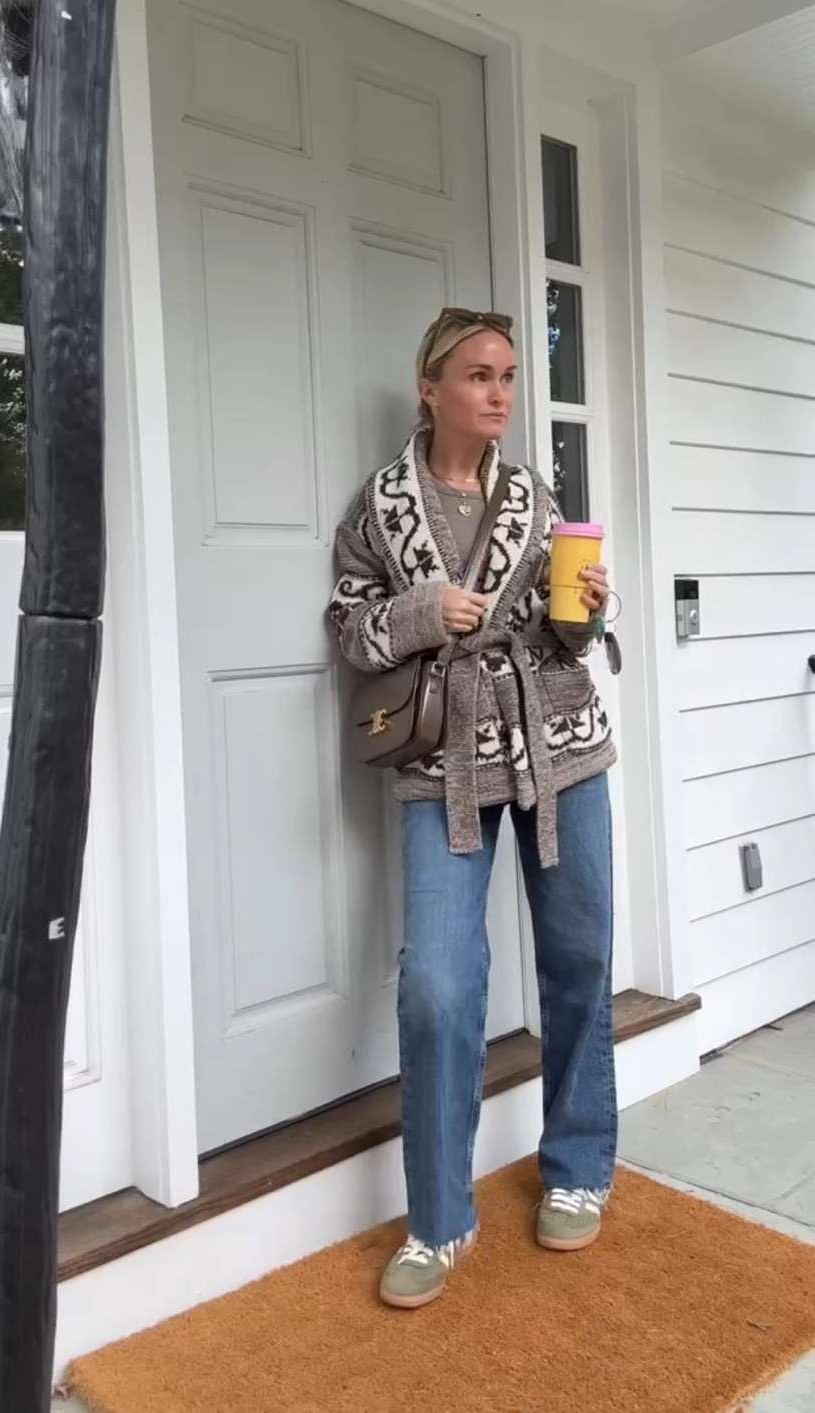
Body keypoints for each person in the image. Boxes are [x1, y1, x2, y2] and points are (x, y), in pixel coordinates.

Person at [328, 308, 617, 1310]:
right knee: (438, 986)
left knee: (580, 957)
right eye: (480, 375)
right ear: (431, 386)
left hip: (561, 740)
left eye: (508, 376)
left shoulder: (536, 496)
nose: (500, 393)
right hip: (441, 756)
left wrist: (587, 613)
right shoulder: (381, 506)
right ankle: (438, 1220)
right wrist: (420, 613)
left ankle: (578, 1164)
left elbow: (567, 636)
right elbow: (349, 629)